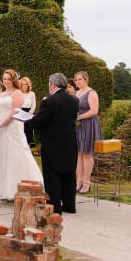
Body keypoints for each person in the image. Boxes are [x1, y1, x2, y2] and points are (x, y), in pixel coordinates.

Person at [28, 73, 80, 214]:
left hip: (53, 142)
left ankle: (55, 206)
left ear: (52, 85)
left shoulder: (49, 101)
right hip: (70, 141)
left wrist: (29, 120)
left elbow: (39, 121)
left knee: (52, 175)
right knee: (69, 174)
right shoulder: (74, 100)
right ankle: (70, 205)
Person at [0, 70, 43, 202]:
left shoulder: (18, 93)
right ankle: (4, 190)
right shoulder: (1, 94)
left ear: (13, 80)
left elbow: (15, 111)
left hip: (12, 127)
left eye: (8, 79)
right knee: (1, 156)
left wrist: (3, 123)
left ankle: (21, 187)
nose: (6, 81)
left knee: (15, 155)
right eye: (4, 79)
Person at [74, 71, 102, 194]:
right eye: (76, 80)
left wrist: (79, 117)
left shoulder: (91, 93)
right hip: (78, 126)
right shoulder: (76, 93)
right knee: (79, 154)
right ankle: (78, 181)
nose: (77, 82)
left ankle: (87, 182)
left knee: (86, 154)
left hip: (89, 125)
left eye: (80, 79)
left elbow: (94, 111)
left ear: (86, 80)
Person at [20, 77, 38, 148]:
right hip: (20, 114)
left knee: (29, 132)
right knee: (21, 132)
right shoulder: (19, 93)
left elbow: (34, 105)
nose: (25, 86)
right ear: (21, 85)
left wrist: (28, 115)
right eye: (23, 84)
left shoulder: (32, 94)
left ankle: (28, 150)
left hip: (29, 114)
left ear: (28, 85)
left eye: (26, 84)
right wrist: (21, 116)